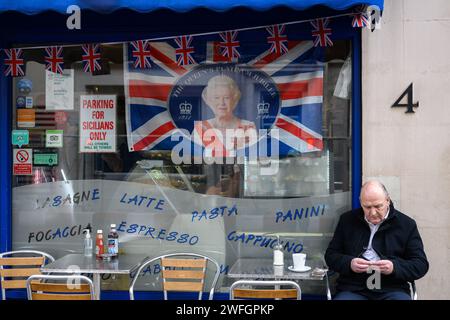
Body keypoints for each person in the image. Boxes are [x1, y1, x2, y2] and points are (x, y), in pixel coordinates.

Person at [325, 180, 429, 300]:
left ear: (387, 201)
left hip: (392, 288)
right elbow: (331, 256)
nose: (373, 213)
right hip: (354, 288)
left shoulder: (406, 224)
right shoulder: (347, 220)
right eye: (367, 207)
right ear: (360, 202)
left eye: (378, 206)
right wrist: (350, 263)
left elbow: (420, 264)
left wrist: (394, 267)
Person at [193, 75, 256, 157]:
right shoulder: (200, 128)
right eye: (216, 98)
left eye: (226, 98)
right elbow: (194, 158)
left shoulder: (248, 127)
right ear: (210, 101)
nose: (222, 103)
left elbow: (253, 158)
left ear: (234, 100)